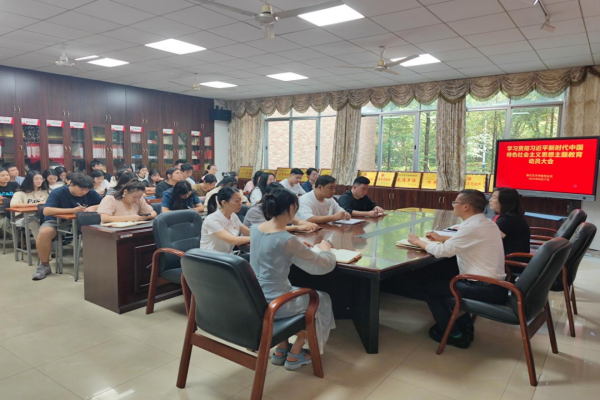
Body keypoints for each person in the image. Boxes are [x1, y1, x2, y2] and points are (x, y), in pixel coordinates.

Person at [405, 190, 506, 349]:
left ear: (466, 207)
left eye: (455, 202)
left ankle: (454, 335)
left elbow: (441, 251)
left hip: (483, 287)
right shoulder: (487, 223)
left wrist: (418, 241)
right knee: (443, 276)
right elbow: (471, 239)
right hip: (495, 285)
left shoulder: (472, 228)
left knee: (430, 289)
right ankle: (465, 326)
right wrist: (443, 238)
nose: (453, 205)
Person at [250, 187, 336, 369]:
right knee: (322, 299)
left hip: (255, 297)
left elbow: (272, 246)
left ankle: (281, 349)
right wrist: (326, 250)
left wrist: (296, 245)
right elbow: (321, 264)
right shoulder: (287, 240)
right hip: (277, 302)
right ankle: (296, 352)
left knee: (299, 291)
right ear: (291, 208)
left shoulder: (254, 229)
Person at [34, 174, 102, 281]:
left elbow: (105, 204)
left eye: (87, 189)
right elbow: (46, 210)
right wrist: (72, 210)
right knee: (44, 233)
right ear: (71, 184)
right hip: (57, 221)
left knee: (103, 232)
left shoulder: (91, 193)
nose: (84, 192)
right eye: (82, 189)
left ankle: (99, 263)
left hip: (81, 221)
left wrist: (93, 207)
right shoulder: (58, 192)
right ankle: (44, 265)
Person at [243, 183, 319, 232]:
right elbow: (270, 229)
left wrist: (310, 225)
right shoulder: (255, 210)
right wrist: (298, 228)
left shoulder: (280, 207)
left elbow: (297, 221)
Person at [200, 186, 250, 253]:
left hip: (227, 255)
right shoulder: (212, 219)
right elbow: (234, 240)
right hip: (211, 257)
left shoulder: (233, 215)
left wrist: (260, 234)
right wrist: (255, 238)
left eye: (240, 200)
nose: (240, 204)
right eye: (237, 201)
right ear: (224, 203)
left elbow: (249, 232)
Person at [489, 187, 531, 255]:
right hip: (513, 257)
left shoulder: (507, 220)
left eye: (494, 198)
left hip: (510, 259)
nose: (490, 200)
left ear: (505, 201)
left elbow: (490, 241)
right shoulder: (514, 216)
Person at [10, 170, 50, 239]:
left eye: (41, 179)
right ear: (29, 180)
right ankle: (42, 244)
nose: (39, 181)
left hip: (40, 216)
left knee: (52, 223)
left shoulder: (45, 191)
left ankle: (53, 243)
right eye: (36, 179)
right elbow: (13, 205)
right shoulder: (20, 192)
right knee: (35, 223)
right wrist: (36, 204)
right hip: (22, 217)